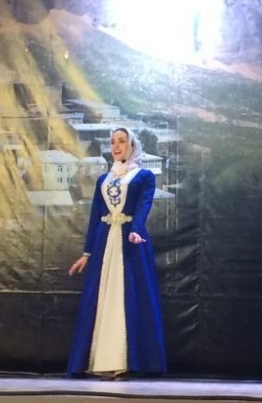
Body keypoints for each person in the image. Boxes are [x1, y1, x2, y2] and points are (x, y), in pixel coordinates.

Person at [67, 127, 166, 379]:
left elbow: (144, 205)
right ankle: (99, 360)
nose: (116, 146)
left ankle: (123, 360)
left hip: (130, 242)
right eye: (113, 142)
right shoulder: (104, 179)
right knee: (101, 296)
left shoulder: (143, 176)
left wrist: (136, 230)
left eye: (122, 141)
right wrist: (87, 252)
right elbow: (95, 216)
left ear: (132, 145)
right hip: (104, 243)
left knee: (127, 296)